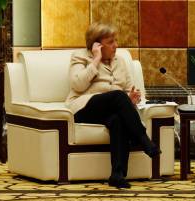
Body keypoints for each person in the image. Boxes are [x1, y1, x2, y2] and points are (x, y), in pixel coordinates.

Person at [66, 22, 160, 189]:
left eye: (116, 41)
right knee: (118, 95)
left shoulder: (121, 61)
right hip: (85, 108)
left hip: (113, 107)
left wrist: (131, 99)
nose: (116, 46)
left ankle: (117, 174)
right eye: (110, 42)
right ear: (97, 45)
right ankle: (143, 139)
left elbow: (129, 89)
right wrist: (96, 60)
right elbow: (77, 85)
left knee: (118, 119)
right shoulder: (80, 57)